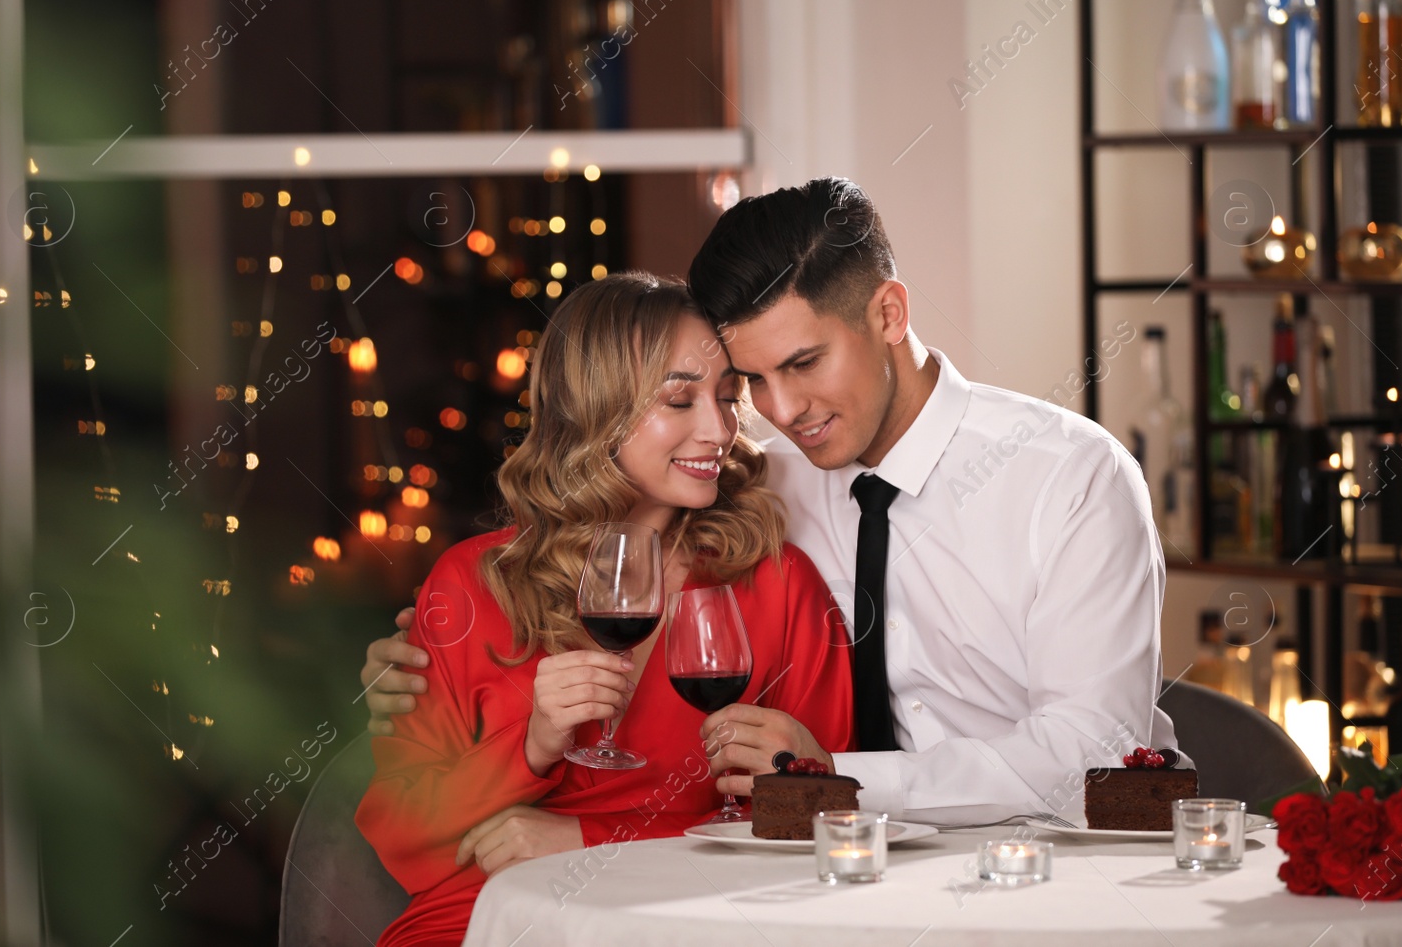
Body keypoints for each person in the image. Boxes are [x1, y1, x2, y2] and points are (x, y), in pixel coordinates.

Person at [363, 176, 1182, 830]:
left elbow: (1093, 760)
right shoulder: (762, 483)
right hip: (854, 864)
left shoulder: (1070, 477)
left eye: (803, 362)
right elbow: (611, 519)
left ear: (889, 313)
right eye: (752, 379)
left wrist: (830, 772)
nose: (781, 411)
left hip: (1061, 850)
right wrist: (421, 656)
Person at [355, 272, 852, 947]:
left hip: (695, 919)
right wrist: (529, 747)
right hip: (490, 917)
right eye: (680, 399)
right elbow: (402, 829)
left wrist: (592, 841)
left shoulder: (776, 584)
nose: (720, 428)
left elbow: (820, 826)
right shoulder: (474, 584)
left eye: (728, 397)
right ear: (596, 410)